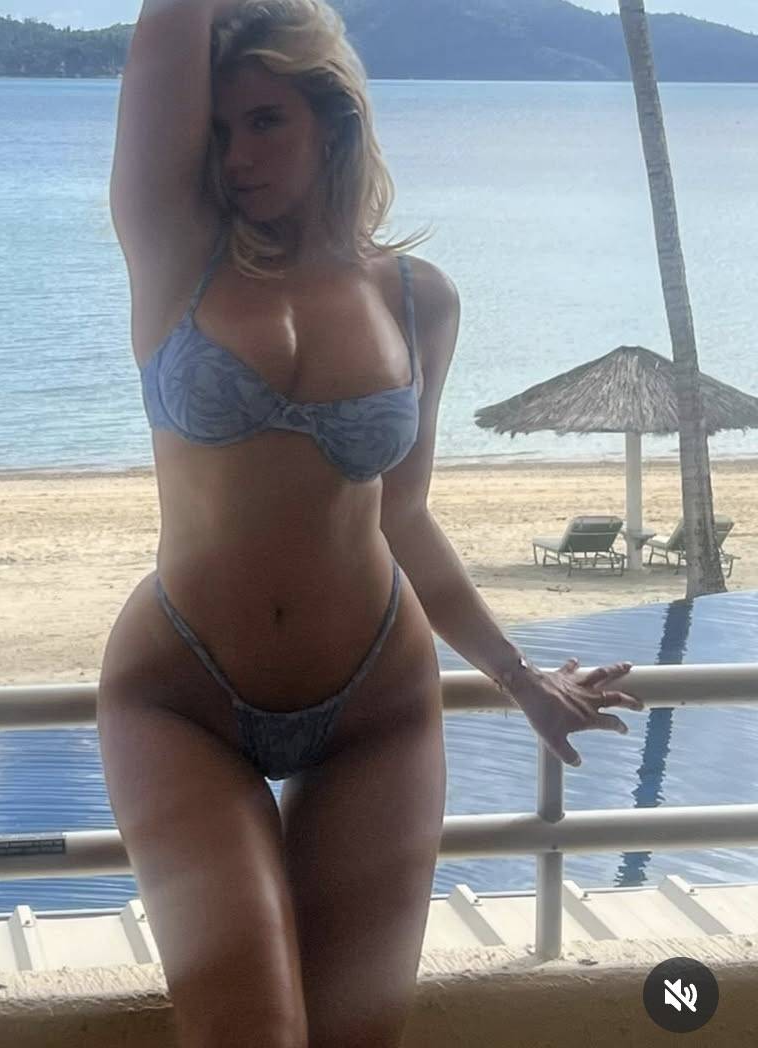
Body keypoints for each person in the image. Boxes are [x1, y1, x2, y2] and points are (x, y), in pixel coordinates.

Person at [98, 1, 643, 1045]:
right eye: (219, 130)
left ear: (334, 121)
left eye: (266, 121)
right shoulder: (176, 253)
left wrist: (518, 676)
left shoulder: (417, 298)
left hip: (375, 708)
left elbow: (404, 513)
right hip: (184, 698)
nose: (236, 156)